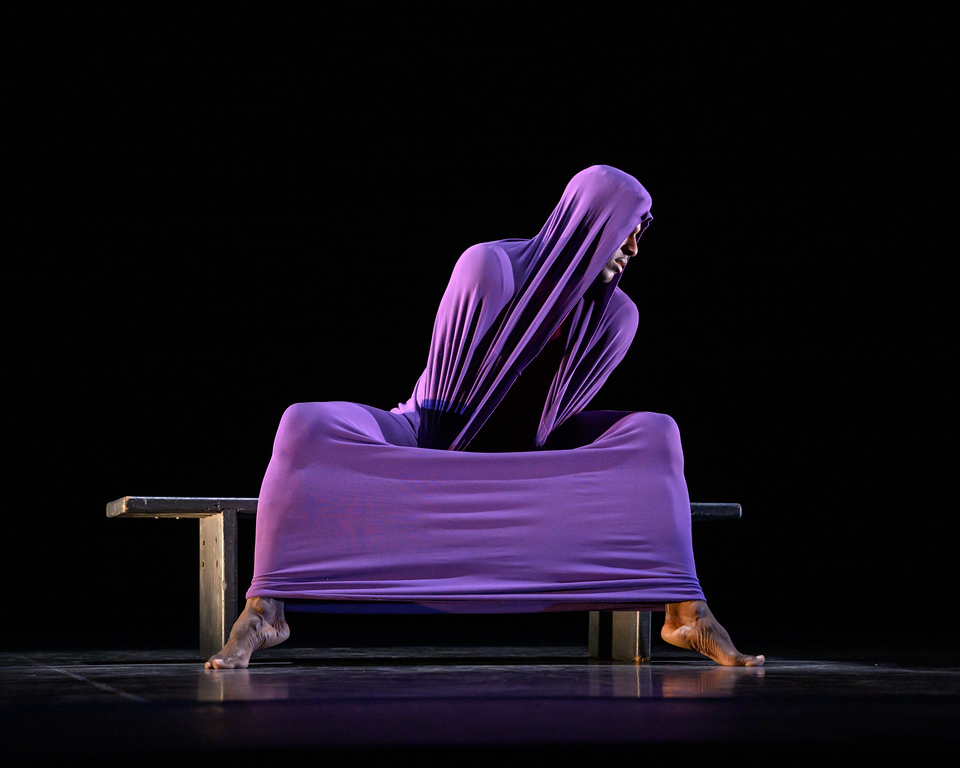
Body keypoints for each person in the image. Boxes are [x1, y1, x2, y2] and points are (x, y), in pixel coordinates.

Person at [206, 165, 764, 669]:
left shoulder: (617, 315)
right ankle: (265, 611)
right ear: (589, 222)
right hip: (428, 432)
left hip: (531, 450)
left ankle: (686, 613)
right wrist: (439, 474)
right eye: (626, 228)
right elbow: (448, 409)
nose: (635, 247)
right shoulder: (490, 267)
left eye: (642, 231)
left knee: (658, 432)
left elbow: (553, 418)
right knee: (303, 424)